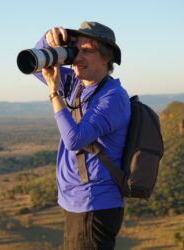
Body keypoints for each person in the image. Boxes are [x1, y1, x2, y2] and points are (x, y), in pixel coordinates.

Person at [34, 21, 131, 250]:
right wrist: (48, 39)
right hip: (77, 203)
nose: (78, 57)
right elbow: (37, 66)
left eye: (87, 51)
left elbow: (74, 140)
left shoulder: (113, 97)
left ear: (106, 58)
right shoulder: (78, 84)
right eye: (76, 50)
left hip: (94, 205)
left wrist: (54, 93)